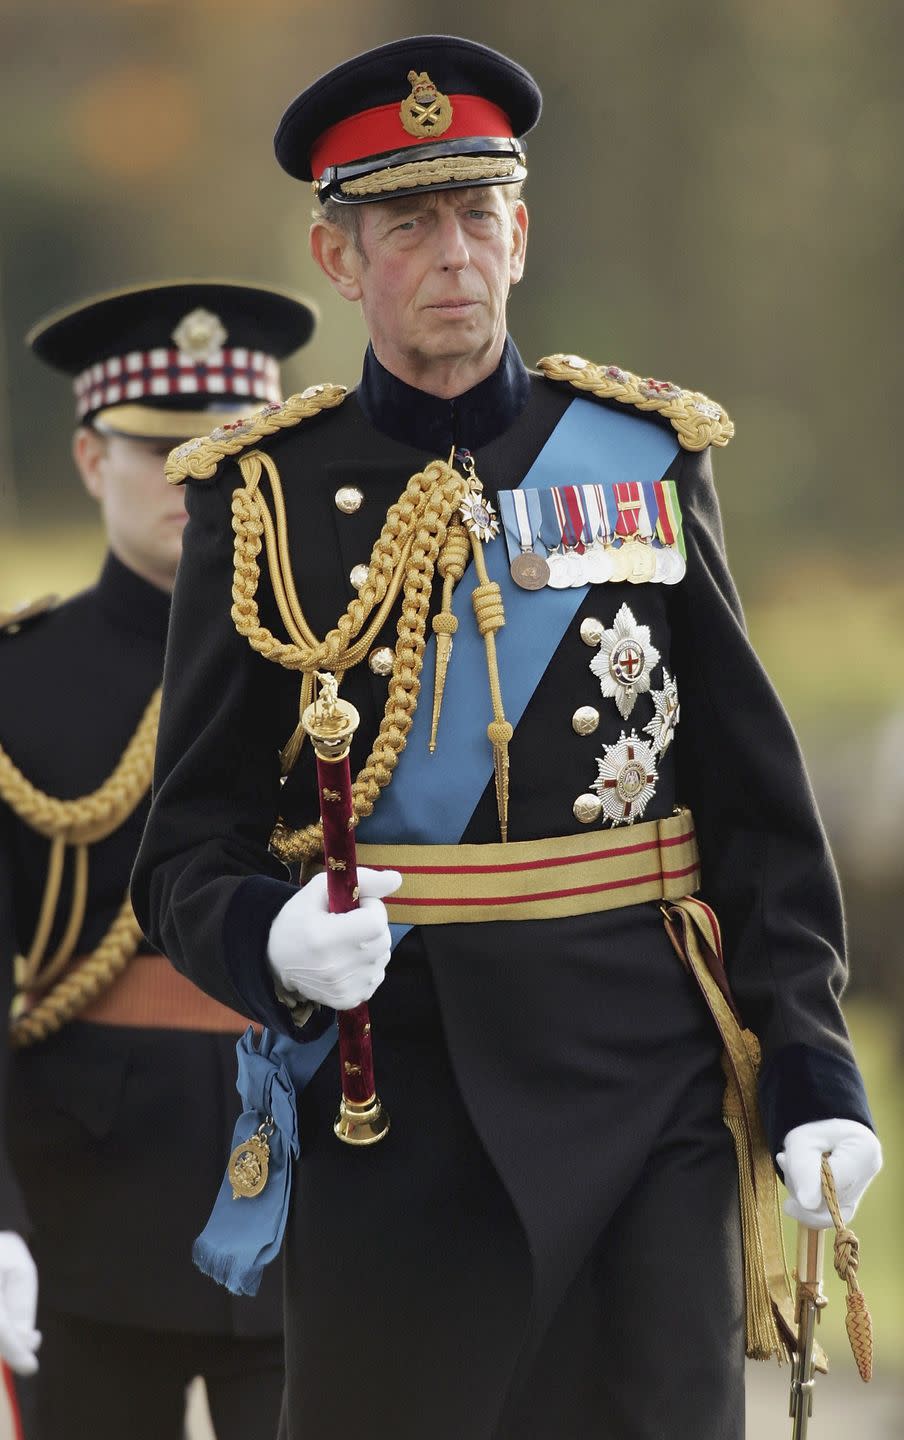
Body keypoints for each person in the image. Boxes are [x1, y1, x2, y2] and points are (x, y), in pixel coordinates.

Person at [131, 38, 882, 1440]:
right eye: (408, 225)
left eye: (479, 217)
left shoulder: (645, 459)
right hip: (394, 1102)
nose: (453, 257)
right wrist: (270, 942)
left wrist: (811, 1073)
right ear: (339, 259)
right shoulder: (264, 501)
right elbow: (183, 850)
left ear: (522, 235)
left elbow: (758, 813)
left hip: (640, 1091)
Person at [0, 280, 317, 1439]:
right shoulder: (23, 683)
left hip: (310, 1198)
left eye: (235, 451)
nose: (205, 481)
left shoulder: (339, 665)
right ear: (91, 458)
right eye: (166, 452)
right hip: (84, 1219)